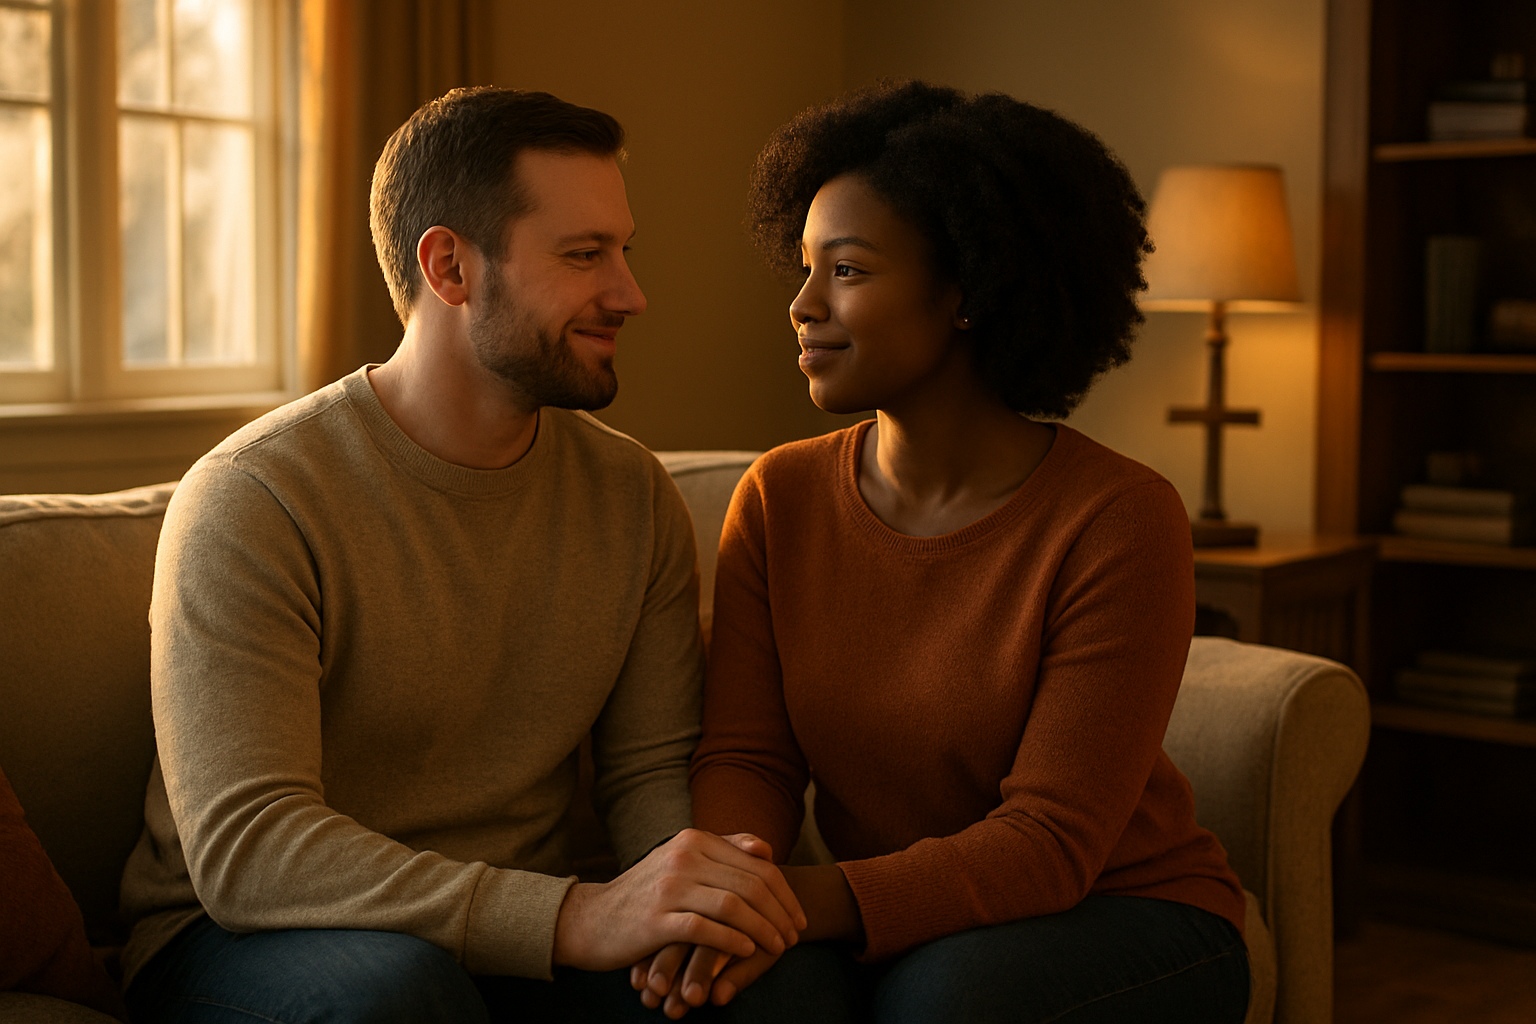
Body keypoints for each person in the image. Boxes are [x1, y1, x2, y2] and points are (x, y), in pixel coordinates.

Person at [118, 87, 805, 1024]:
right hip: (244, 940)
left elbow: (651, 773)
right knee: (398, 997)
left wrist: (692, 910)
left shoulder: (631, 496)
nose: (630, 294)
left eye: (623, 251)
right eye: (582, 255)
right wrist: (570, 915)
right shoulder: (255, 497)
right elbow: (251, 848)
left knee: (775, 983)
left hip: (517, 928)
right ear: (449, 266)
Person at [635, 81, 1252, 1022]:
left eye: (846, 270)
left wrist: (800, 902)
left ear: (965, 291)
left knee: (944, 1004)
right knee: (745, 992)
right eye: (802, 268)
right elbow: (750, 758)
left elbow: (1048, 842)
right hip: (882, 909)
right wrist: (729, 896)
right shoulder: (779, 498)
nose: (801, 305)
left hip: (1125, 911)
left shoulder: (1120, 519)